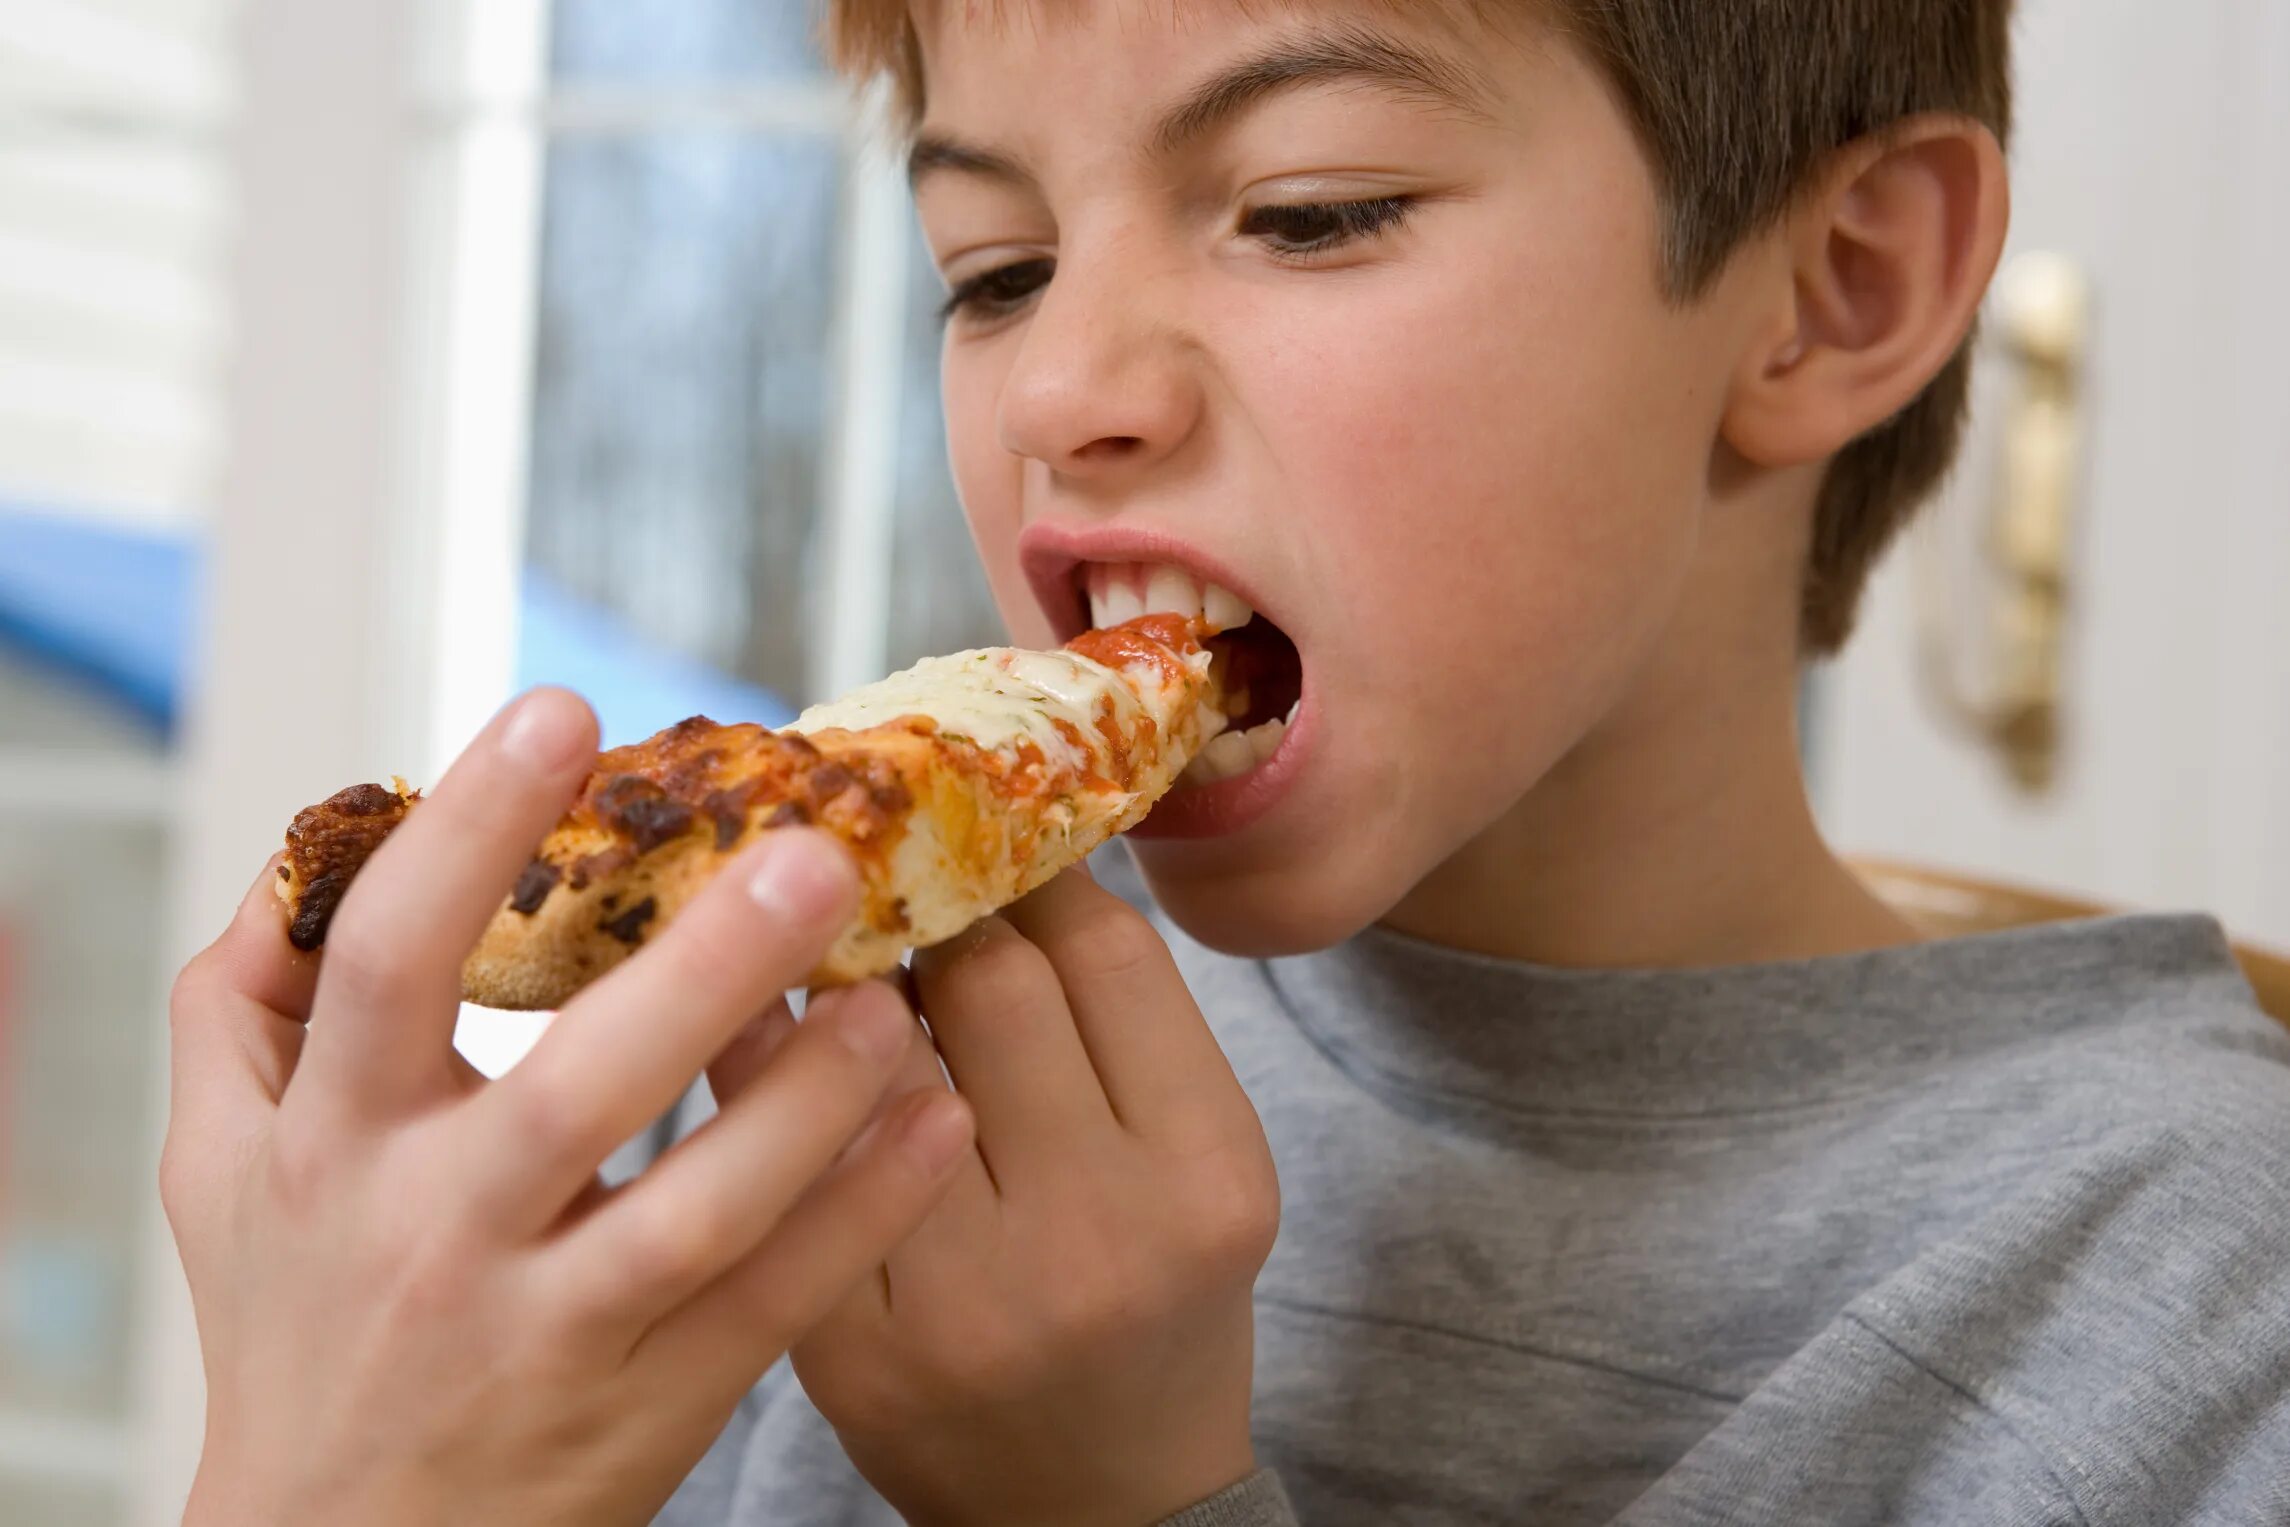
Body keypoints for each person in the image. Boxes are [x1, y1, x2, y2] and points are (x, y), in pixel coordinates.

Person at [164, 1, 2290, 1523]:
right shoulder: (810, 1085)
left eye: (1305, 209)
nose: (1061, 385)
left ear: (1833, 288)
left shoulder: (2191, 1297)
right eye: (991, 268)